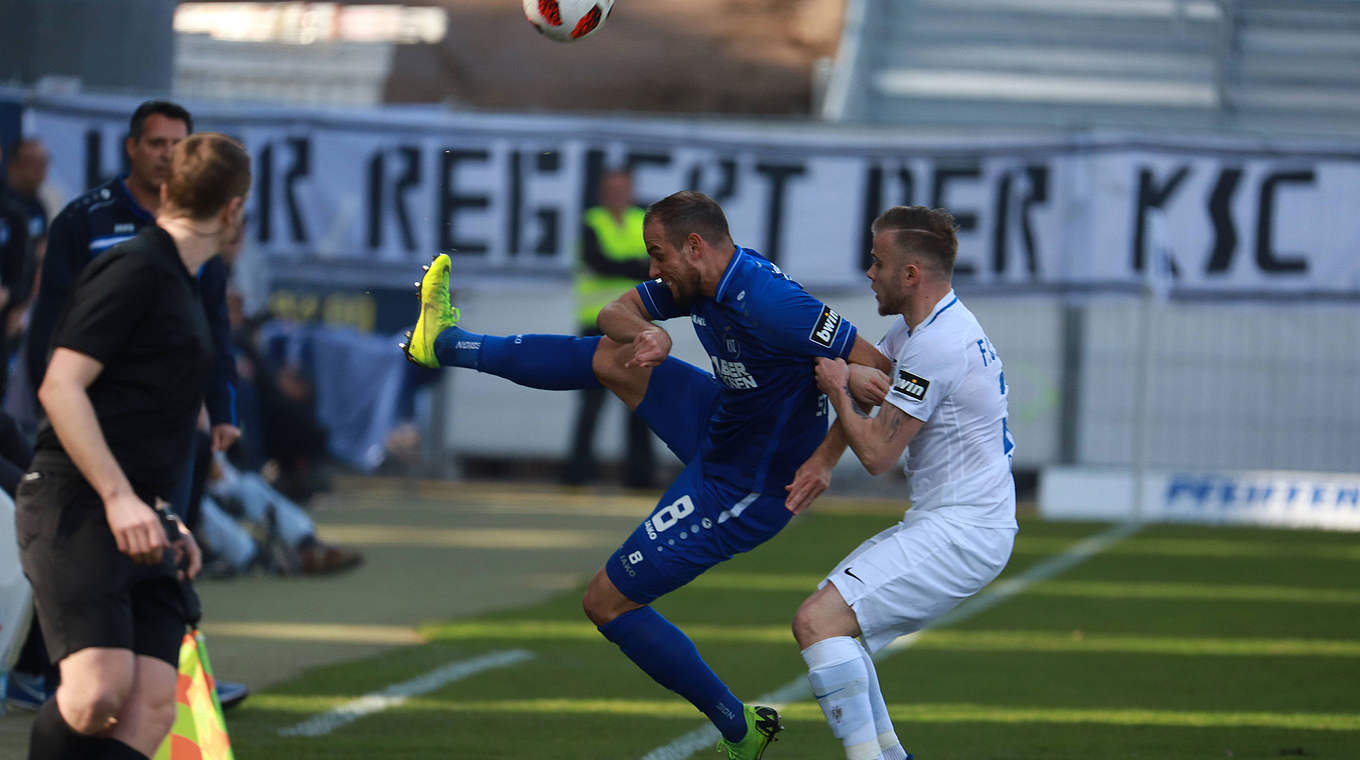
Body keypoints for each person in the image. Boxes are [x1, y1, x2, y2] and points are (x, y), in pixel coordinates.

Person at [402, 190, 892, 759]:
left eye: (658, 254)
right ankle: (442, 342)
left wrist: (826, 458)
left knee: (606, 603)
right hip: (721, 421)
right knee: (612, 354)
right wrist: (644, 332)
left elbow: (875, 368)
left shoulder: (773, 302)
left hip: (748, 485)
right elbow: (615, 311)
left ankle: (739, 727)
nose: (652, 269)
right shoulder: (699, 279)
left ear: (695, 245)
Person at [17, 132, 249, 760]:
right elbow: (60, 386)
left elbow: (152, 418)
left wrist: (168, 513)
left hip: (147, 516)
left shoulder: (188, 278)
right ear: (234, 210)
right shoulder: (137, 266)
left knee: (150, 708)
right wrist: (121, 499)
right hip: (79, 503)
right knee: (97, 694)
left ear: (167, 190)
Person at [784, 206, 1018, 760]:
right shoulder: (925, 328)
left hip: (965, 531)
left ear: (910, 274)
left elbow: (878, 454)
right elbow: (875, 397)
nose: (869, 273)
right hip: (953, 522)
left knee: (817, 622)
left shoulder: (938, 346)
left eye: (878, 261)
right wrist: (820, 460)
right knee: (834, 625)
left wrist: (838, 386)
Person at [563, 168, 656, 488]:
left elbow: (653, 264)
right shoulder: (592, 222)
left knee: (640, 400)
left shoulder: (641, 221)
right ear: (603, 192)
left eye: (622, 189)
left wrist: (625, 265)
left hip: (636, 324)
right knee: (591, 401)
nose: (617, 195)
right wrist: (634, 266)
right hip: (596, 321)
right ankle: (577, 474)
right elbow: (598, 261)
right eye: (612, 189)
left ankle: (641, 477)